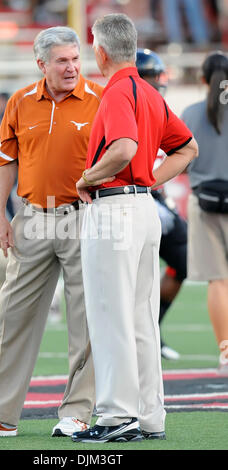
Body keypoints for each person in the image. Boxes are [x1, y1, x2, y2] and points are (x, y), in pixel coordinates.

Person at [0, 26, 103, 439]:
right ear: (41, 64)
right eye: (62, 60)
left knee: (84, 320)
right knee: (12, 316)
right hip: (32, 217)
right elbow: (5, 160)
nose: (72, 67)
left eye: (76, 59)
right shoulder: (20, 101)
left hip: (84, 217)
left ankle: (77, 412)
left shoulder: (100, 99)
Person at [73, 13, 198, 443]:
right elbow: (186, 149)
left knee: (111, 317)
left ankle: (115, 416)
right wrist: (149, 182)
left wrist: (88, 177)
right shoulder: (148, 91)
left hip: (114, 212)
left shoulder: (115, 92)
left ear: (100, 51)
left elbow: (124, 148)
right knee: (142, 318)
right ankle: (150, 416)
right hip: (142, 210)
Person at [136, 48, 188, 361]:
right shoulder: (124, 104)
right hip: (129, 195)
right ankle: (138, 338)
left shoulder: (160, 107)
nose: (160, 82)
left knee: (183, 261)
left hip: (156, 197)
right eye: (154, 76)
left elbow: (183, 148)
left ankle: (153, 328)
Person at [181, 51, 228, 376]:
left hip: (205, 201)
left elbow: (182, 160)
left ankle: (226, 352)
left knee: (218, 281)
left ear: (202, 79)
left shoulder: (191, 113)